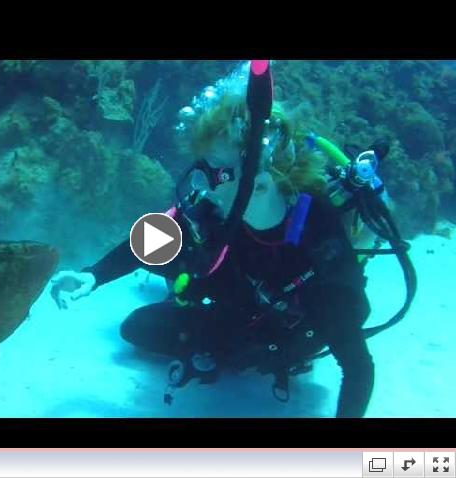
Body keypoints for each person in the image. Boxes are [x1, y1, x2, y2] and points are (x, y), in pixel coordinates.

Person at [51, 61, 415, 418]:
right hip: (236, 302)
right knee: (139, 327)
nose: (204, 188)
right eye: (202, 171)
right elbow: (156, 237)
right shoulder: (218, 210)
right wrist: (94, 275)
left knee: (163, 331)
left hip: (281, 332)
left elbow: (357, 368)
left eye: (216, 174)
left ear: (260, 181)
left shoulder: (317, 239)